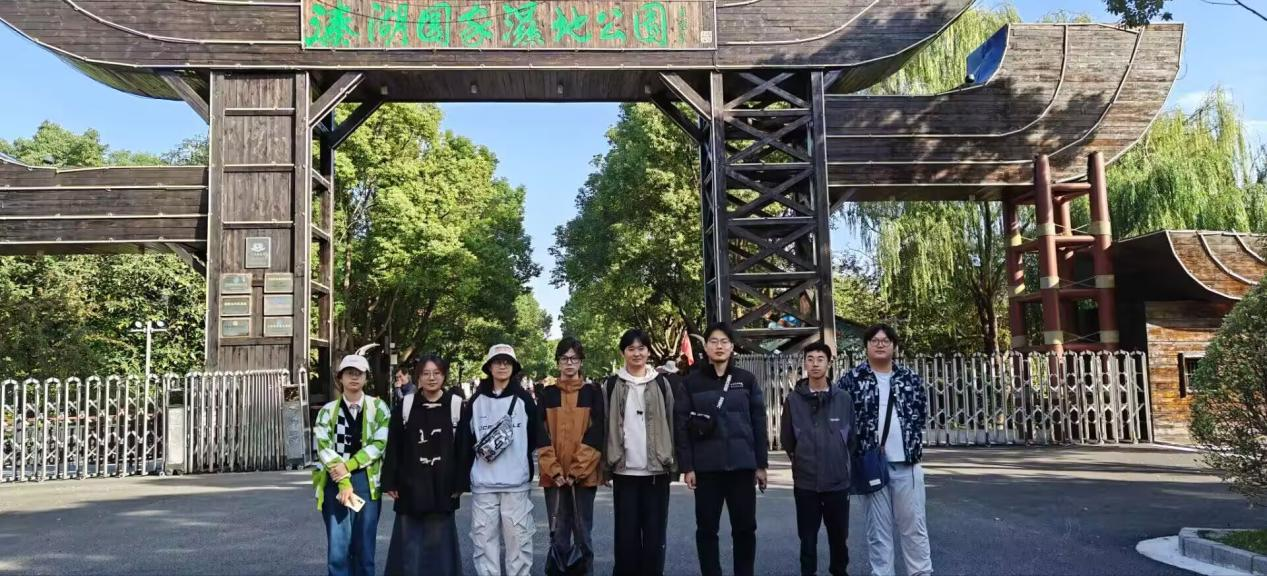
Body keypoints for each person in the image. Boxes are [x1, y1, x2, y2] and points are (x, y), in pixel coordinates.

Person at [675, 322, 768, 576]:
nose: (719, 346)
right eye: (714, 341)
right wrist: (687, 466)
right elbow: (681, 427)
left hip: (742, 467)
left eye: (724, 341)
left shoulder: (746, 380)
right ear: (705, 347)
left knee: (745, 529)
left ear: (732, 347)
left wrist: (761, 464)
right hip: (707, 469)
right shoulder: (691, 383)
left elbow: (759, 423)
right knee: (707, 529)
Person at [838, 324, 932, 576]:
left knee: (914, 526)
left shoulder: (910, 378)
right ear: (866, 346)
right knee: (878, 531)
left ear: (894, 346)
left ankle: (921, 573)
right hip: (870, 464)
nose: (880, 344)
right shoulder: (851, 380)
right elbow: (841, 418)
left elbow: (920, 412)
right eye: (874, 340)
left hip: (907, 463)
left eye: (886, 340)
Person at [457, 344, 539, 576]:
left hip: (516, 483)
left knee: (519, 542)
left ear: (513, 367)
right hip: (484, 483)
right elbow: (465, 440)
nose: (502, 366)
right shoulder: (476, 401)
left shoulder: (524, 399)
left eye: (507, 362)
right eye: (497, 362)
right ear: (489, 367)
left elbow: (534, 436)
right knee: (483, 542)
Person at [382, 354, 464, 576]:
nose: (431, 378)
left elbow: (463, 447)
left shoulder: (456, 406)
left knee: (441, 546)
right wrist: (390, 480)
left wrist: (460, 483)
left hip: (443, 484)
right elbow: (394, 444)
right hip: (411, 483)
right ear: (418, 376)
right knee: (409, 543)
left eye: (436, 373)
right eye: (426, 373)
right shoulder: (406, 405)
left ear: (444, 376)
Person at [603, 329, 677, 576]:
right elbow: (604, 426)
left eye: (641, 348)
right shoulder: (611, 384)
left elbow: (672, 422)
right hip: (624, 471)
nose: (637, 353)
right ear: (623, 352)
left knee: (655, 537)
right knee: (626, 537)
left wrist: (674, 465)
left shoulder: (661, 383)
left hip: (656, 471)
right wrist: (605, 468)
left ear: (648, 351)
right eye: (631, 348)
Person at [781, 341, 855, 576]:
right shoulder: (793, 400)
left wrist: (840, 459)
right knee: (807, 538)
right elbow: (787, 439)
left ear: (829, 363)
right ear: (804, 364)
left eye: (820, 359)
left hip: (837, 481)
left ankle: (839, 571)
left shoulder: (843, 399)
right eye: (810, 359)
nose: (815, 364)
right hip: (806, 482)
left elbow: (852, 437)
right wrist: (801, 458)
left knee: (839, 538)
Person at [312, 354, 390, 576]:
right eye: (349, 373)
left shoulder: (379, 407)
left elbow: (380, 443)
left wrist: (349, 466)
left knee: (365, 546)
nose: (354, 377)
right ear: (340, 378)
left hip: (367, 480)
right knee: (338, 548)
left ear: (366, 378)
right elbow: (323, 446)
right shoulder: (327, 411)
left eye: (359, 373)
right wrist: (343, 480)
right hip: (335, 480)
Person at [536, 338, 605, 576]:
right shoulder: (547, 394)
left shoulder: (592, 392)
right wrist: (554, 471)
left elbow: (597, 433)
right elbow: (540, 435)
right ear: (557, 362)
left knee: (583, 533)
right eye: (564, 358)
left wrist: (576, 471)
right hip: (553, 476)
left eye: (574, 358)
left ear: (581, 362)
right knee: (558, 533)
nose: (569, 363)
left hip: (583, 476)